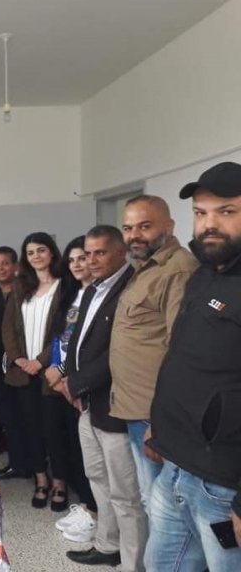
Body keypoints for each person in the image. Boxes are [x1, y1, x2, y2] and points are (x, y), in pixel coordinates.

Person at [144, 161, 241, 571]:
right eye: (200, 213)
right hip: (176, 466)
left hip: (223, 484)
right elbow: (181, 357)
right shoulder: (203, 275)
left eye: (227, 211)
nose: (209, 224)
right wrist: (159, 425)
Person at [64, 225, 147, 570]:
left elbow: (119, 351)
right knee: (98, 479)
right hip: (88, 404)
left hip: (116, 405)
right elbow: (77, 338)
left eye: (100, 252)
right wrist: (70, 378)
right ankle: (108, 545)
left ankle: (133, 562)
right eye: (88, 253)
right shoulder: (92, 290)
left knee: (125, 493)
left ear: (120, 252)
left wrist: (76, 383)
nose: (92, 260)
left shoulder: (131, 288)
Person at [109, 195, 197, 510]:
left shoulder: (177, 270)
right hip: (136, 406)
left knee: (164, 506)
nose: (134, 235)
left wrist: (160, 421)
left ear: (169, 226)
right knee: (151, 499)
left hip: (154, 412)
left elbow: (182, 350)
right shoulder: (147, 267)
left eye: (144, 226)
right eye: (128, 228)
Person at [2, 232, 62, 507]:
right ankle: (41, 480)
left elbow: (65, 331)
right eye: (30, 252)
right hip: (24, 373)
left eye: (41, 250)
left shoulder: (64, 286)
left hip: (51, 373)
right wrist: (18, 359)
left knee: (54, 431)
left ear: (51, 253)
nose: (36, 256)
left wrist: (41, 360)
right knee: (31, 428)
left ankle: (59, 482)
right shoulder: (20, 287)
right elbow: (8, 327)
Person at [42, 237, 97, 526]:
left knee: (83, 447)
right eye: (72, 260)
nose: (76, 264)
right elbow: (60, 337)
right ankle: (80, 500)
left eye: (82, 258)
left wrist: (63, 372)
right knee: (58, 437)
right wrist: (54, 368)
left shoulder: (98, 295)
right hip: (57, 380)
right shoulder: (71, 294)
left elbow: (88, 346)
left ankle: (92, 507)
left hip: (79, 382)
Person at [0, 246, 28, 480]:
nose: (0, 268)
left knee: (26, 416)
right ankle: (16, 462)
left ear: (16, 266)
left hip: (23, 362)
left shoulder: (27, 290)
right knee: (6, 416)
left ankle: (32, 464)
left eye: (5, 263)